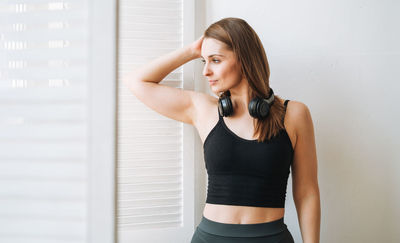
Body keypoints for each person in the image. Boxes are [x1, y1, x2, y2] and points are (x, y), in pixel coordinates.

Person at [123, 17, 321, 243]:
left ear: (244, 59)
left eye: (215, 60)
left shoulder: (294, 114)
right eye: (203, 61)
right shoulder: (204, 109)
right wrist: (191, 50)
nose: (206, 71)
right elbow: (136, 81)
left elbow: (307, 194)